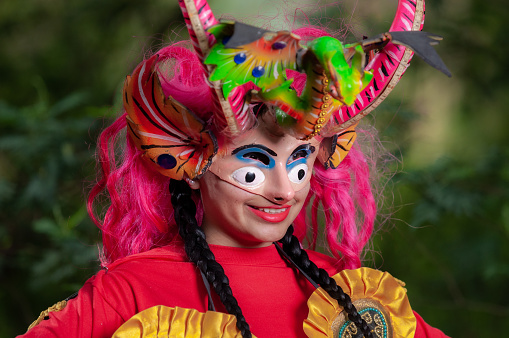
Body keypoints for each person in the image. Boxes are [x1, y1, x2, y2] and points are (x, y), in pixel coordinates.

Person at [19, 0, 450, 337]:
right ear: (187, 158)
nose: (284, 190)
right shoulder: (132, 289)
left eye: (300, 165)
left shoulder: (354, 298)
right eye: (253, 169)